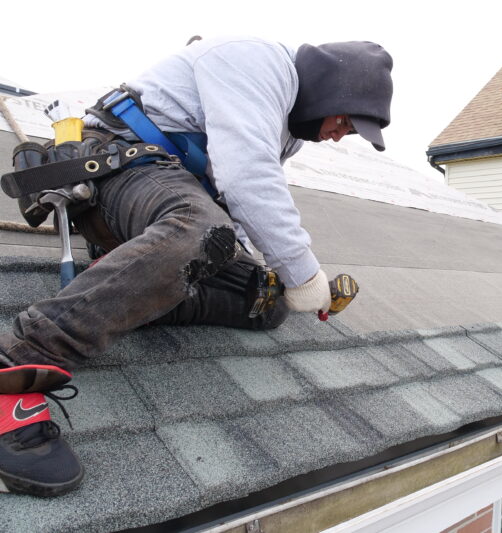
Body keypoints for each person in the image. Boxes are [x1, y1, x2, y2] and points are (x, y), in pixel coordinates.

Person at [0, 36, 393, 496]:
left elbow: (236, 203)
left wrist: (281, 275)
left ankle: (128, 278)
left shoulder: (286, 125)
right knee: (201, 233)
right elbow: (245, 176)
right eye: (345, 122)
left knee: (264, 302)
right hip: (117, 166)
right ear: (330, 91)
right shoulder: (256, 61)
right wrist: (303, 273)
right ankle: (19, 365)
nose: (339, 136)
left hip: (163, 193)